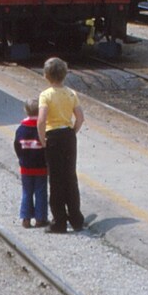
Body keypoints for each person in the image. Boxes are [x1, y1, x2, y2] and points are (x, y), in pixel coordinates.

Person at [37, 57, 85, 233]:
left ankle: (59, 222)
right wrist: (72, 131)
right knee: (70, 177)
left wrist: (43, 139)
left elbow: (41, 120)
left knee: (56, 181)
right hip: (68, 136)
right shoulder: (71, 93)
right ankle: (76, 219)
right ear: (64, 74)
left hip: (53, 137)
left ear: (46, 75)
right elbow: (80, 118)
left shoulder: (46, 95)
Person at [14, 97, 48, 228]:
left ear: (25, 111)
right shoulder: (42, 128)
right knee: (41, 191)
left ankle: (26, 219)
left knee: (27, 192)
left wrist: (21, 159)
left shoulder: (21, 129)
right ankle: (41, 219)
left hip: (26, 167)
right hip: (41, 167)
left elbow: (17, 146)